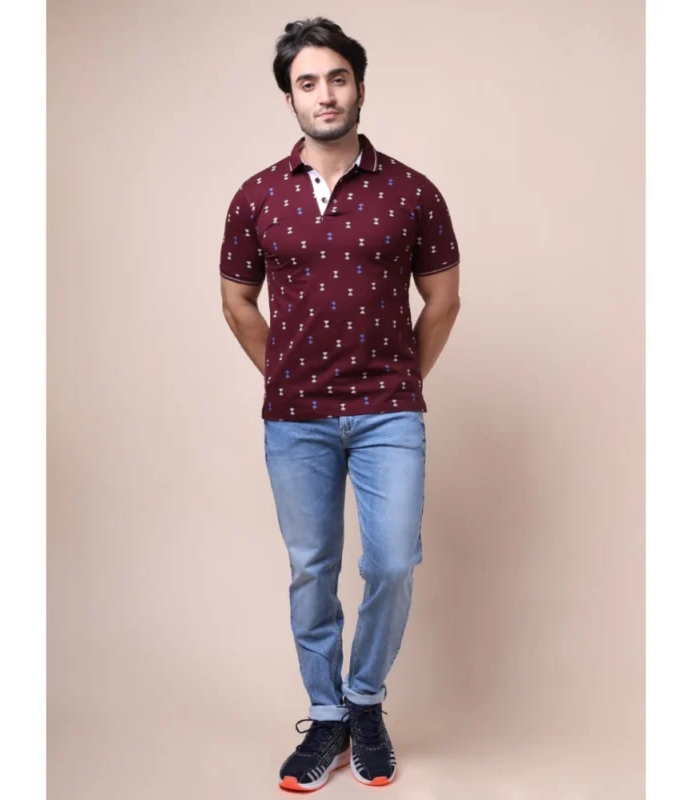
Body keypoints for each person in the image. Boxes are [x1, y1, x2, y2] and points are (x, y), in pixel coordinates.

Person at [219, 17, 461, 791]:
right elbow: (236, 300)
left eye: (337, 78)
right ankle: (327, 717)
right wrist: (283, 376)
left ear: (358, 86)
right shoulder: (258, 196)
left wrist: (403, 383)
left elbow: (444, 299)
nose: (324, 94)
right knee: (311, 569)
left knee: (391, 562)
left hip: (389, 412)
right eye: (308, 82)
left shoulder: (412, 191)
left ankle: (365, 702)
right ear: (290, 97)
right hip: (296, 420)